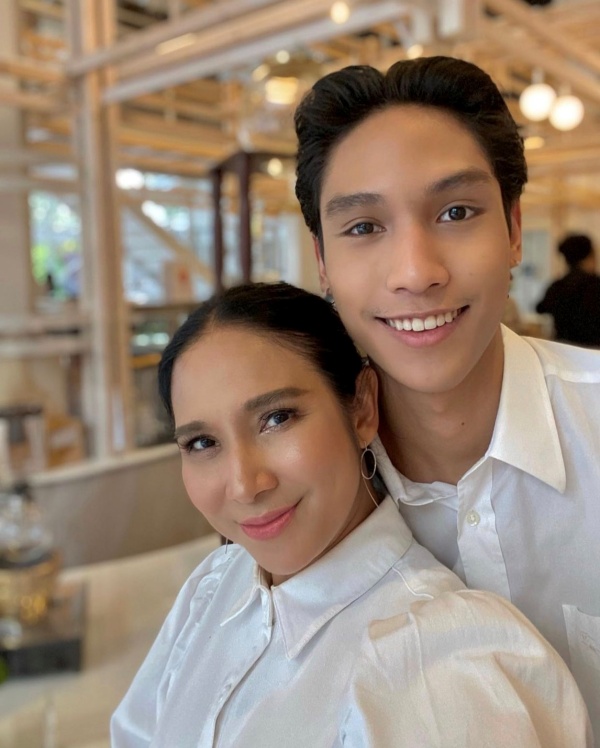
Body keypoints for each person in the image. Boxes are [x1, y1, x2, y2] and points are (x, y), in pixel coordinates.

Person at [110, 282, 590, 747]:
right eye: (202, 443)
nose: (244, 485)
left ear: (361, 408)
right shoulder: (212, 588)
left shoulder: (442, 661)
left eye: (276, 419)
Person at [294, 56, 600, 737]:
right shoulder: (304, 486)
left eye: (456, 211)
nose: (416, 273)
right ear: (322, 261)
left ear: (513, 230)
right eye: (363, 227)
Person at [536, 233, 600, 346]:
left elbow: (540, 308)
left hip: (562, 350)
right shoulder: (596, 285)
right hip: (594, 351)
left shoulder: (557, 286)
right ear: (589, 257)